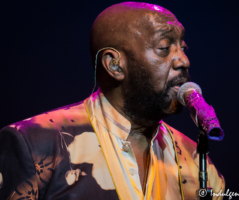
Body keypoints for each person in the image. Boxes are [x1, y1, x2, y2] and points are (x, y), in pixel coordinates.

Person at [0, 2, 225, 200]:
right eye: (164, 48)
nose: (183, 61)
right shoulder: (33, 145)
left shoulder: (196, 160)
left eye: (183, 48)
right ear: (115, 64)